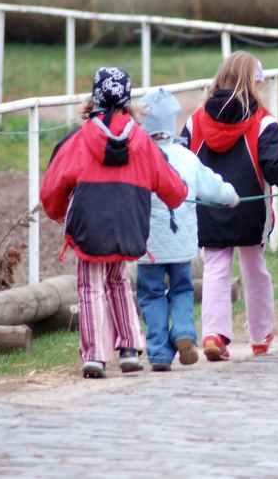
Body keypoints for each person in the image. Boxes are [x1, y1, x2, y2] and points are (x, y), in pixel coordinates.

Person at [182, 51, 278, 361]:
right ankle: (261, 335)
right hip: (251, 212)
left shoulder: (194, 121)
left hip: (208, 210)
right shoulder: (264, 122)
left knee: (215, 269)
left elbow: (181, 164)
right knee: (255, 271)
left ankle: (213, 334)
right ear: (254, 83)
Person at [40, 67, 188, 378]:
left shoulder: (78, 140)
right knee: (119, 281)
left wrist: (57, 212)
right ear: (127, 100)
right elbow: (171, 186)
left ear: (94, 100)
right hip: (129, 226)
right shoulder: (142, 140)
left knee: (90, 286)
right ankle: (130, 348)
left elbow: (52, 188)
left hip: (89, 226)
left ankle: (94, 354)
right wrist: (181, 196)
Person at [136, 88, 239, 372]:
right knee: (182, 288)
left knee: (151, 294)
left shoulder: (138, 158)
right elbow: (211, 186)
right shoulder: (186, 157)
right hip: (182, 244)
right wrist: (231, 196)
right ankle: (183, 332)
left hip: (148, 248)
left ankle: (158, 351)